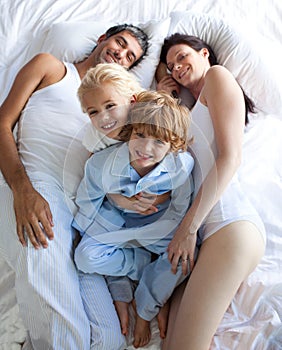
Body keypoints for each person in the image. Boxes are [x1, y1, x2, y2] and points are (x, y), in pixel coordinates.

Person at [0, 24, 149, 350]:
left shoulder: (114, 111)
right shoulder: (51, 67)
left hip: (82, 221)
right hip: (36, 188)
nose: (120, 53)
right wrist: (23, 190)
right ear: (102, 39)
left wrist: (120, 286)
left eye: (129, 56)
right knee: (67, 336)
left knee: (109, 339)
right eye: (120, 42)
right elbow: (1, 124)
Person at [154, 33, 266, 350]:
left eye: (182, 57)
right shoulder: (187, 111)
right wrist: (164, 96)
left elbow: (230, 158)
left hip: (229, 225)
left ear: (204, 54)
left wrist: (188, 229)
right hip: (203, 238)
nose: (176, 67)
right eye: (170, 65)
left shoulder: (218, 76)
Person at [72, 89, 195, 348]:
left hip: (157, 222)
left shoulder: (181, 165)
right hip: (117, 217)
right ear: (131, 131)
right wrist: (116, 203)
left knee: (181, 262)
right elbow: (88, 201)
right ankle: (138, 264)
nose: (145, 149)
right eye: (140, 135)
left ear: (172, 145)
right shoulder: (100, 165)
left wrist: (161, 202)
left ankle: (145, 307)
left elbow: (181, 204)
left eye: (159, 142)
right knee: (84, 257)